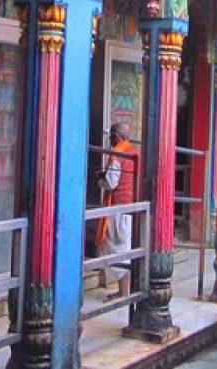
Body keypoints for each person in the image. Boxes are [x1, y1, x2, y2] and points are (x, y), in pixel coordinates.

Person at [95, 122, 137, 301]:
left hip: (119, 209)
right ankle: (124, 290)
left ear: (118, 136)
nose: (110, 139)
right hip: (130, 208)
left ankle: (123, 291)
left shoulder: (117, 156)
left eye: (111, 135)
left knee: (118, 249)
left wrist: (100, 180)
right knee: (124, 249)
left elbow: (111, 184)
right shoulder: (134, 153)